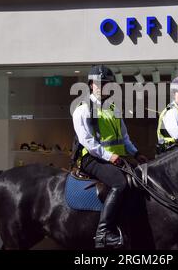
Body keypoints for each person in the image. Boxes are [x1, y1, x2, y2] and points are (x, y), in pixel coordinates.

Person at [72, 65, 148, 249]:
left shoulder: (113, 108)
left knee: (140, 179)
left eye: (107, 84)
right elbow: (87, 141)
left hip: (116, 157)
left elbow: (124, 138)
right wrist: (109, 156)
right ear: (91, 85)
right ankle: (103, 233)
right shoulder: (82, 109)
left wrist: (136, 153)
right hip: (91, 159)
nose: (104, 87)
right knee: (119, 183)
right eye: (100, 83)